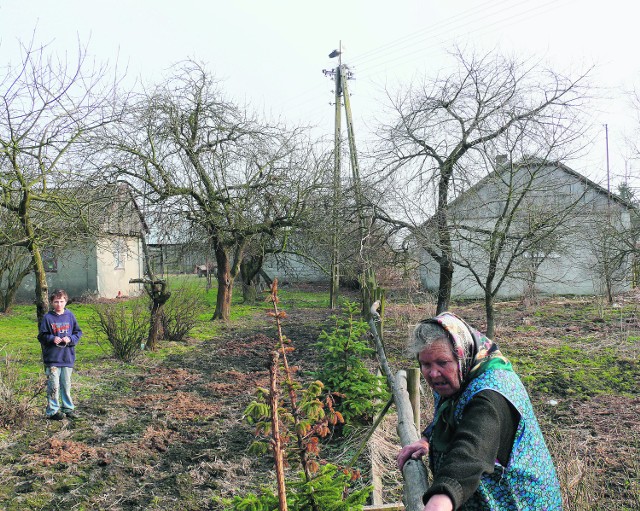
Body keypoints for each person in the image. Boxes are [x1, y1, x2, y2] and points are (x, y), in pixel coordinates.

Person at [397, 312, 562, 511]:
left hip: (517, 503)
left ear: (462, 354)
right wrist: (427, 438)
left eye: (442, 362)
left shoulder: (492, 396)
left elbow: (471, 450)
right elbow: (450, 413)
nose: (433, 373)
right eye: (425, 364)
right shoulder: (458, 377)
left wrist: (440, 500)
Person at [37, 289, 82, 420]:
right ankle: (53, 411)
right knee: (53, 386)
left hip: (67, 357)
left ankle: (68, 408)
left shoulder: (70, 316)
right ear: (51, 302)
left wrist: (70, 339)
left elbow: (77, 333)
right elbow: (42, 336)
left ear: (66, 301)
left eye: (61, 301)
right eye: (56, 301)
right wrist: (52, 338)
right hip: (52, 358)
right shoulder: (47, 318)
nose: (59, 304)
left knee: (66, 385)